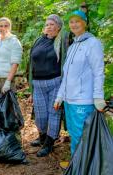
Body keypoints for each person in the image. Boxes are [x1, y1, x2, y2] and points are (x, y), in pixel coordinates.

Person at [54, 10, 106, 155]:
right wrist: (60, 96)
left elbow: (98, 71)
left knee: (83, 137)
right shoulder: (72, 47)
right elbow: (67, 76)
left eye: (77, 21)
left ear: (85, 23)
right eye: (71, 22)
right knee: (74, 135)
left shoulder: (93, 43)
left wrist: (98, 96)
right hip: (69, 100)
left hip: (83, 100)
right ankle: (76, 165)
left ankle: (84, 168)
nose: (74, 24)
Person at [28, 14, 67, 157]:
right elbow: (31, 64)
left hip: (55, 83)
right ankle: (42, 137)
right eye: (47, 24)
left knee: (54, 113)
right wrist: (30, 88)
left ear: (58, 27)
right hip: (37, 84)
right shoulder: (39, 40)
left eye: (52, 24)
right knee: (40, 115)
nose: (49, 27)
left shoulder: (62, 41)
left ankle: (50, 143)